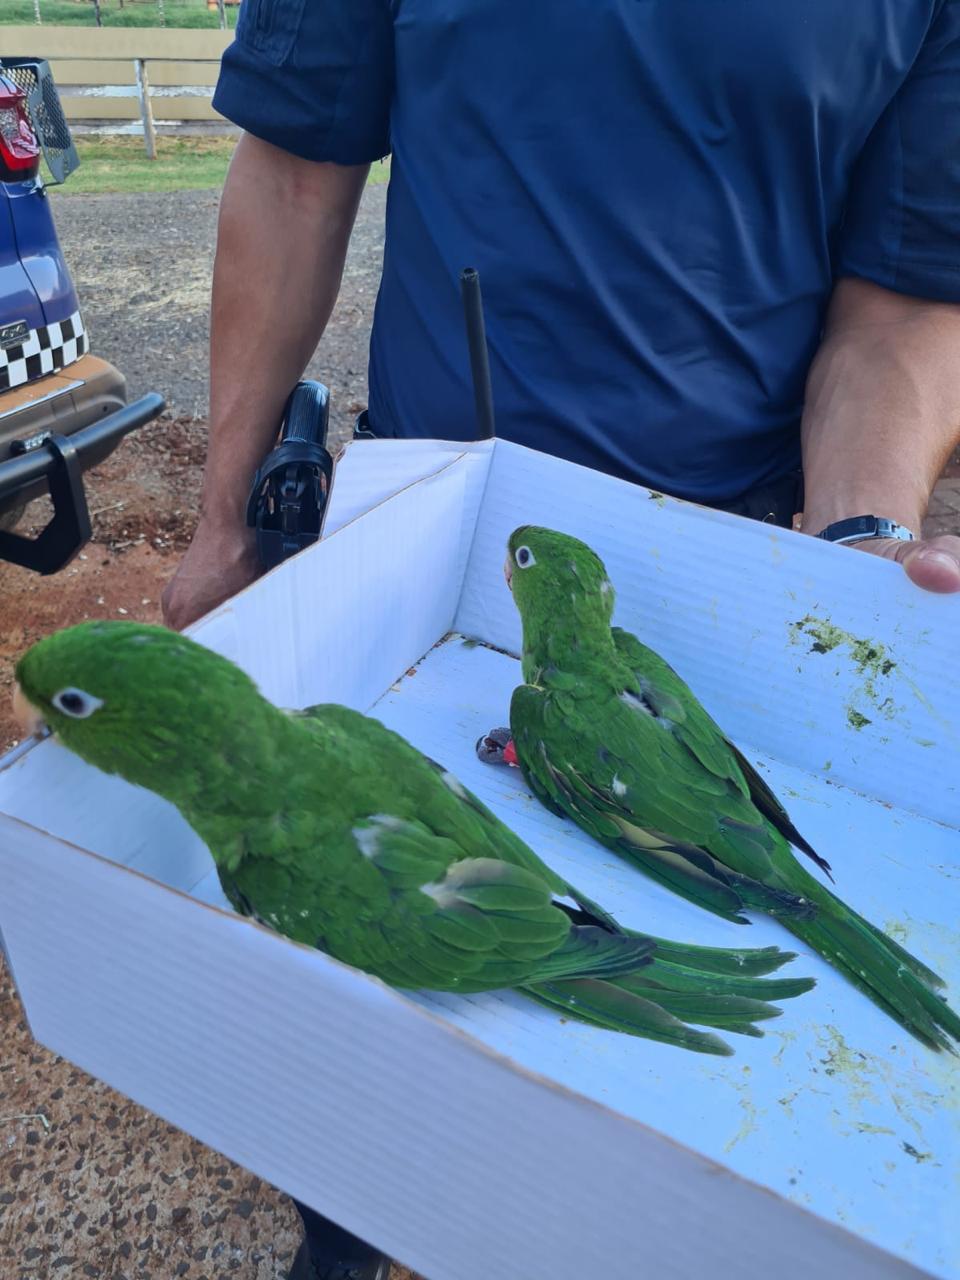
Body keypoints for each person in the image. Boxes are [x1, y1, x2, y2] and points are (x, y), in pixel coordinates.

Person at [161, 3, 960, 1276]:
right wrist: (222, 524)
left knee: (629, 1024)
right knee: (379, 921)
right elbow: (299, 166)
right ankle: (352, 1218)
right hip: (422, 553)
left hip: (721, 580)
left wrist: (857, 547)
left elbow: (904, 303)